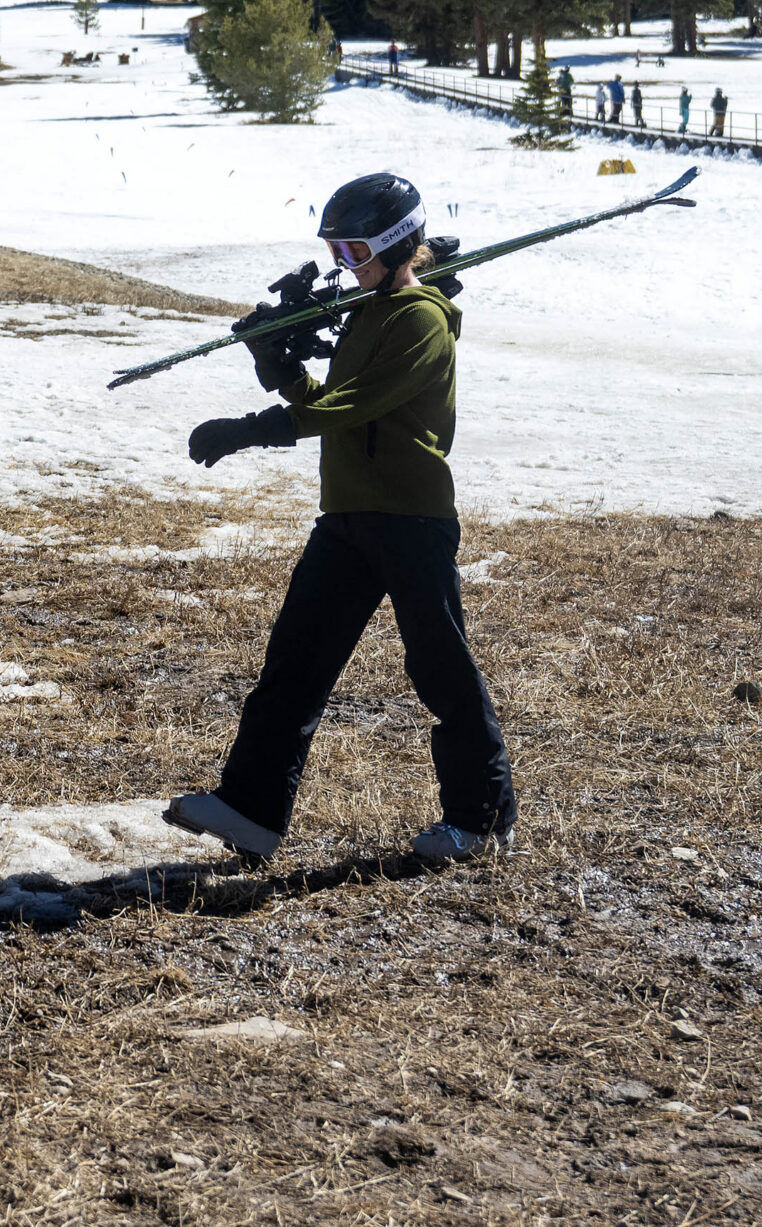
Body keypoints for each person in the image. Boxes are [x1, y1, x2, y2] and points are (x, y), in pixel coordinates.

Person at [170, 173, 514, 868]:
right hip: (349, 514)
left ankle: (480, 821)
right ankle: (251, 809)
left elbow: (354, 406)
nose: (344, 265)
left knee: (440, 669)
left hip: (411, 518)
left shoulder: (418, 319)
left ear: (394, 245)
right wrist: (278, 363)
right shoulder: (369, 311)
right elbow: (331, 398)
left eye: (355, 249)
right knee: (294, 662)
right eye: (338, 250)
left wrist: (253, 428)